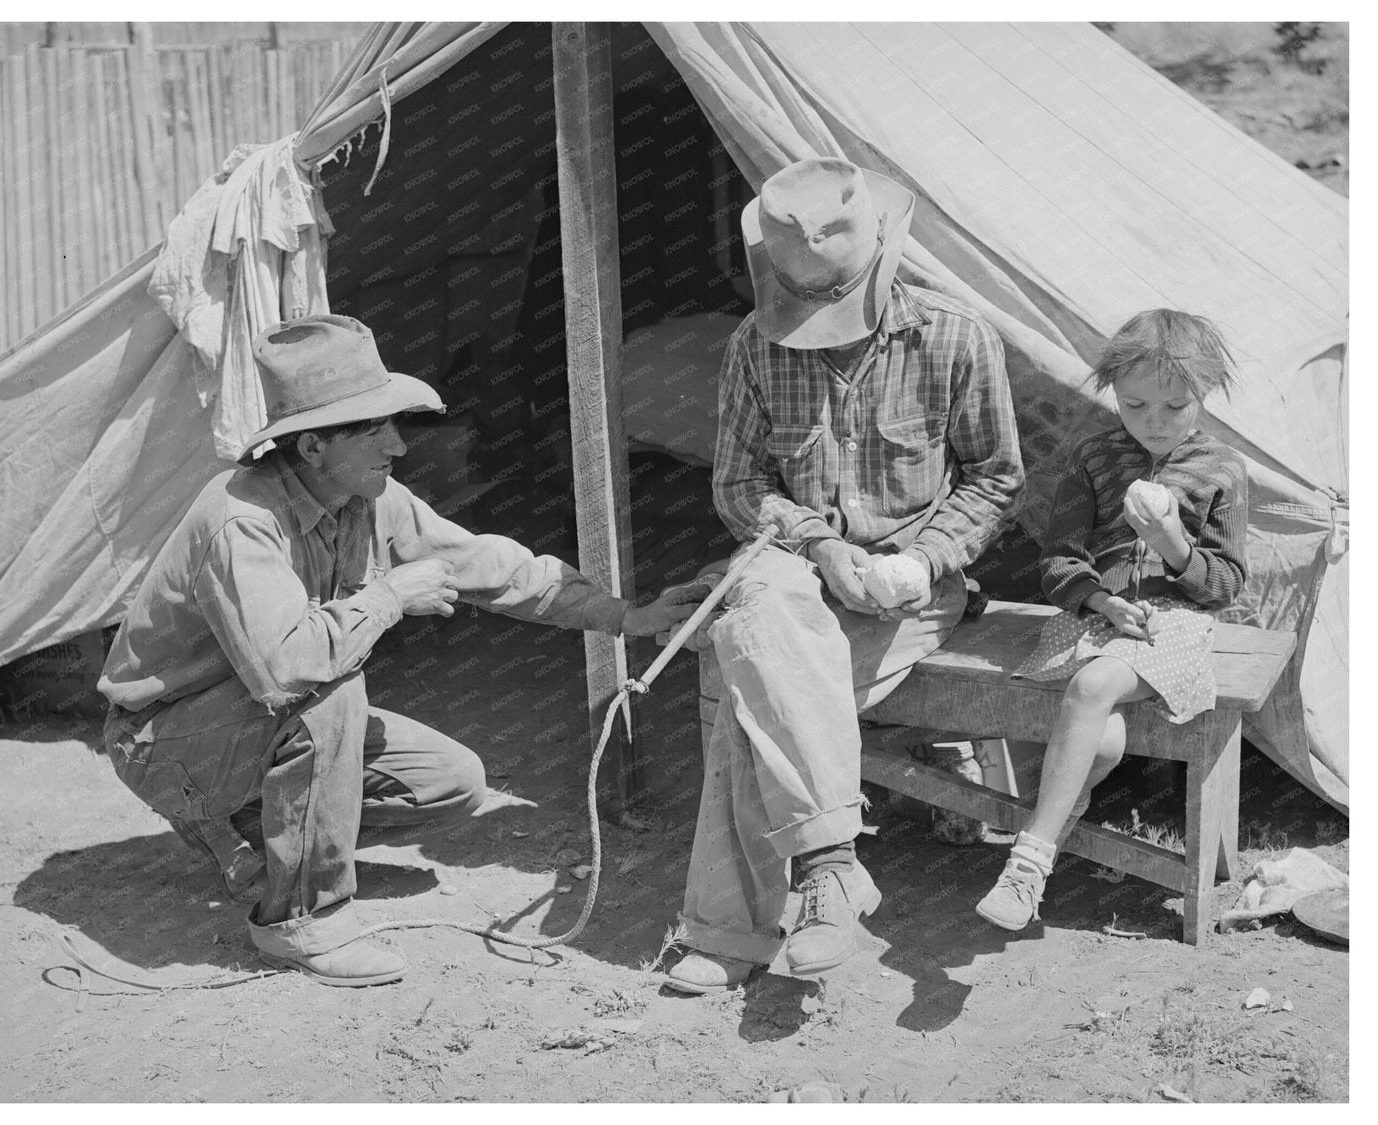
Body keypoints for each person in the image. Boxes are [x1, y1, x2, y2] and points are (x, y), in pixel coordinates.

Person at [98, 314, 703, 987]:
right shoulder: (242, 520)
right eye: (373, 427)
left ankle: (279, 846)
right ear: (313, 447)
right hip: (165, 741)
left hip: (245, 727)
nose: (399, 445)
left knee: (454, 782)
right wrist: (390, 596)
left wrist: (626, 615)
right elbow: (285, 671)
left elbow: (486, 566)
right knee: (327, 691)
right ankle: (301, 920)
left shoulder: (366, 498)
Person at [663, 158, 1024, 994]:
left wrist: (916, 560)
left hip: (911, 590)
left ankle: (733, 932)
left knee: (752, 691)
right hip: (795, 573)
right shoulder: (754, 347)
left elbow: (996, 478)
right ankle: (829, 867)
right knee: (759, 608)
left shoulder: (956, 337)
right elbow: (738, 486)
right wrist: (822, 547)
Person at [975, 309, 1247, 932]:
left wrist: (1176, 543)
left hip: (1173, 626)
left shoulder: (1222, 469)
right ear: (1112, 394)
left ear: (1204, 394)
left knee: (1093, 687)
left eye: (1174, 407)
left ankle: (1027, 863)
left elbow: (1227, 586)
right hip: (1097, 620)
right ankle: (1062, 819)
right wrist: (1100, 600)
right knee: (1106, 739)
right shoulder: (1093, 458)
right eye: (1135, 405)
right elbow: (1057, 559)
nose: (1154, 422)